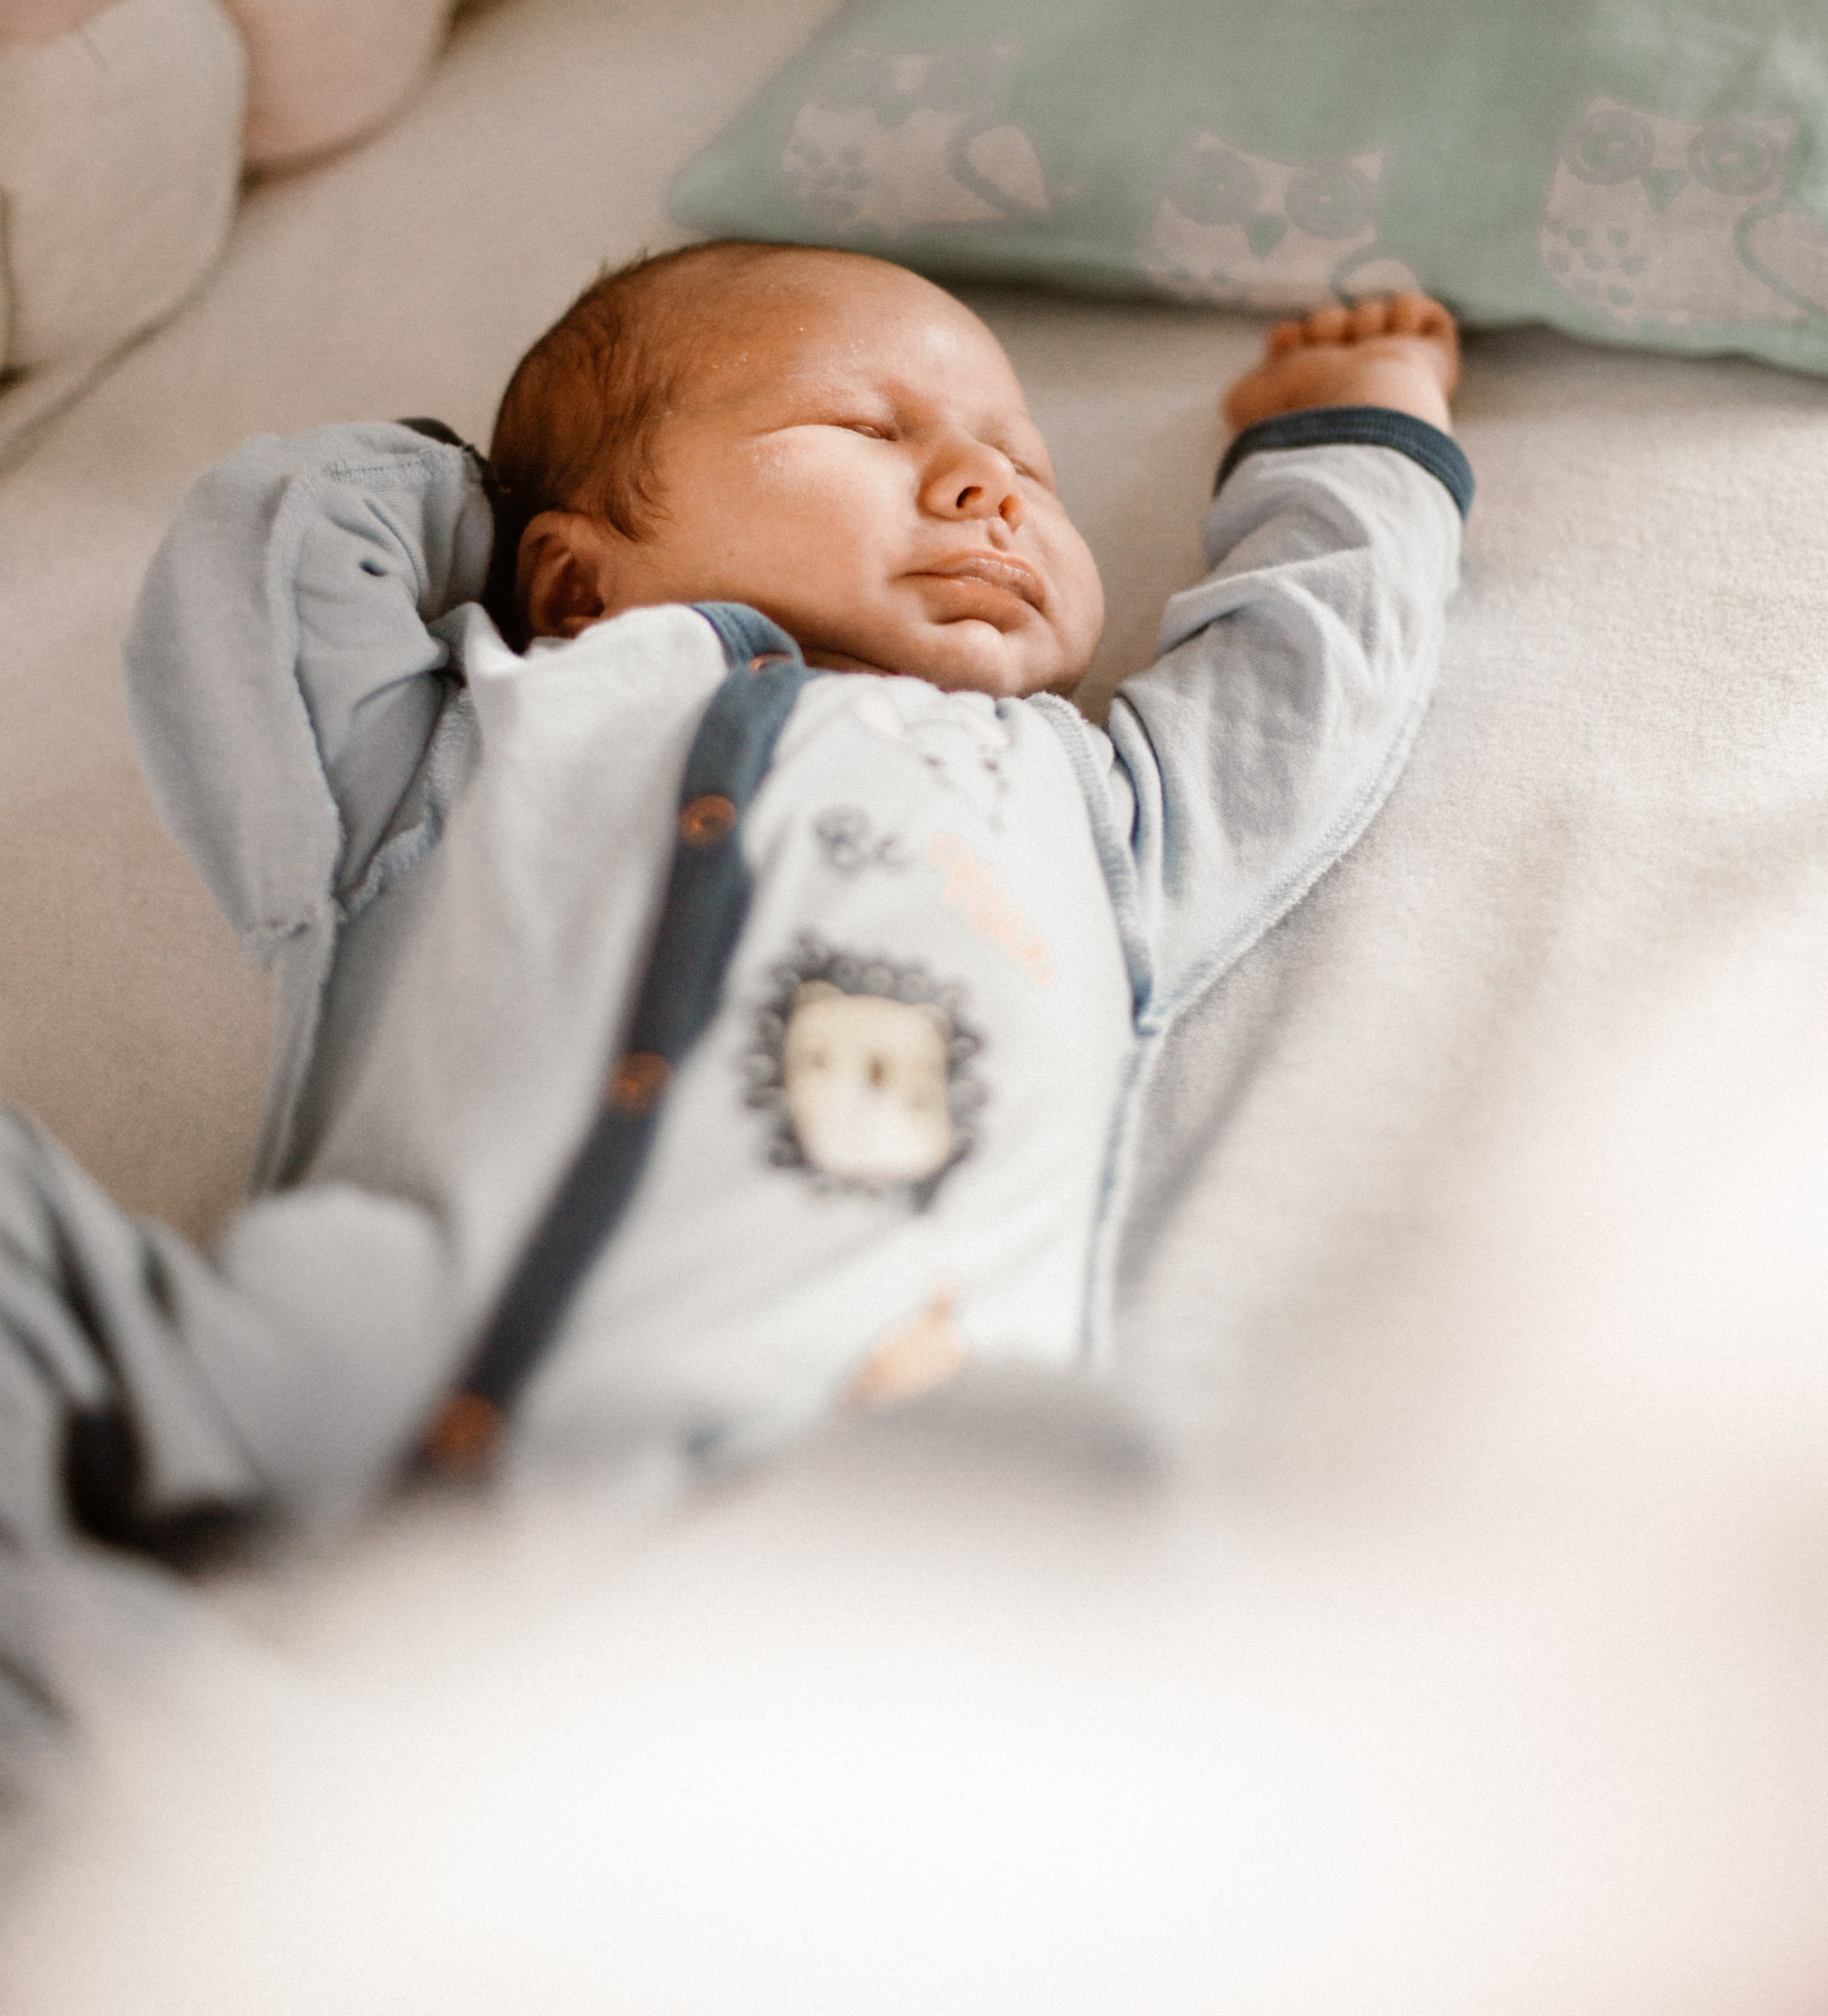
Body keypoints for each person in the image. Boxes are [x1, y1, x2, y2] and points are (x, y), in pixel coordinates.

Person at [0, 243, 1468, 1568]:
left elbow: (1308, 676)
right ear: (571, 583)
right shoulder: (471, 731)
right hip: (299, 1398)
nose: (991, 488)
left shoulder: (1092, 811)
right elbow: (271, 561)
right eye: (865, 428)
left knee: (1054, 1493)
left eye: (1029, 467)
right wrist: (492, 501)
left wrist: (1357, 439)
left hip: (807, 1454)